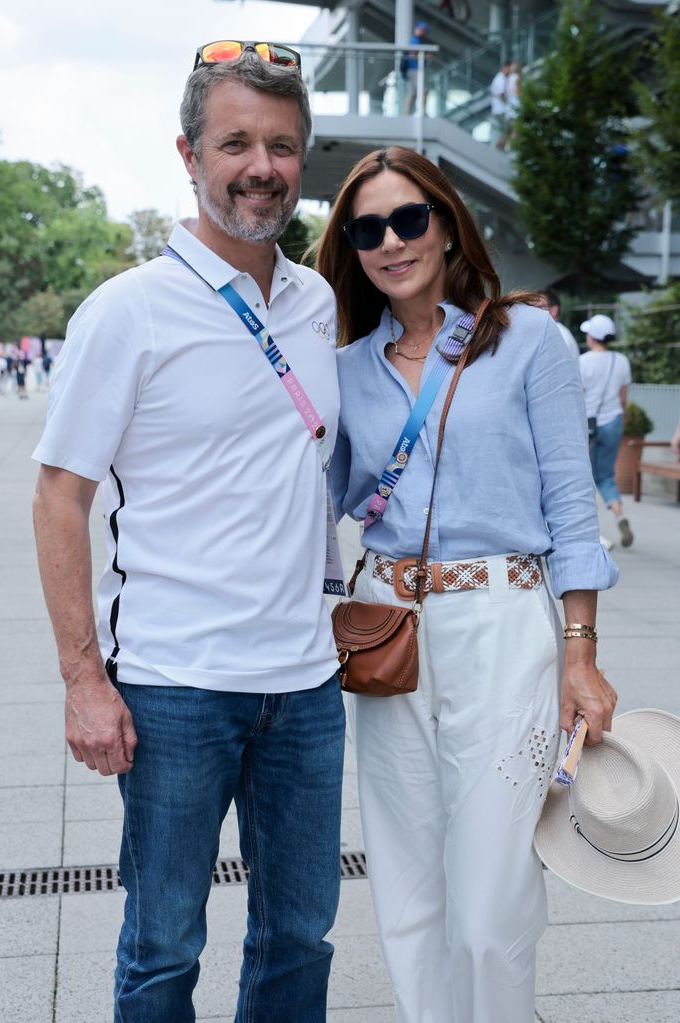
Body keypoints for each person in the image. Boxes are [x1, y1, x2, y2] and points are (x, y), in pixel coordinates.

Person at [32, 44, 345, 1023]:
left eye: (283, 146)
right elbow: (58, 496)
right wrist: (86, 679)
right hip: (172, 689)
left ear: (303, 158)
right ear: (189, 152)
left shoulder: (316, 301)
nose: (262, 166)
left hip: (305, 687)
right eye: (237, 142)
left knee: (300, 937)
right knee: (162, 947)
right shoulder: (128, 312)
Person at [316, 146, 618, 1023]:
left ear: (446, 225)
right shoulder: (341, 368)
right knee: (407, 891)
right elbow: (310, 498)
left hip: (502, 624)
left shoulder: (529, 340)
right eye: (366, 228)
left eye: (409, 218)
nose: (390, 241)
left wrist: (580, 652)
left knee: (489, 903)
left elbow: (570, 502)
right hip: (386, 629)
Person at [579, 313, 634, 548]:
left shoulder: (582, 361)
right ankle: (620, 515)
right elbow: (623, 399)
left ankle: (593, 531)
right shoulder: (622, 360)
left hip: (588, 425)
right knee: (606, 475)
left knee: (583, 477)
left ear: (592, 336)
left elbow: (576, 396)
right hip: (613, 422)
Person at [538, 287, 579, 360]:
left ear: (554, 310)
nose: (534, 311)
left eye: (539, 307)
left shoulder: (557, 334)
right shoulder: (556, 331)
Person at [402, 22, 431, 115]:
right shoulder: (415, 40)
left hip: (414, 70)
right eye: (421, 30)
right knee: (424, 91)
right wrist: (425, 56)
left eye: (424, 31)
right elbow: (413, 55)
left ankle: (408, 113)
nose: (422, 32)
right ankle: (422, 112)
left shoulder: (417, 40)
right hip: (414, 69)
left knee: (413, 92)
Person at [490, 59, 511, 149]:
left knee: (506, 131)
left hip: (499, 110)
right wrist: (511, 102)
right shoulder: (500, 79)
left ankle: (499, 147)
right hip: (500, 110)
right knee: (507, 130)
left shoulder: (501, 78)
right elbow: (502, 94)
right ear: (505, 67)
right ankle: (498, 148)